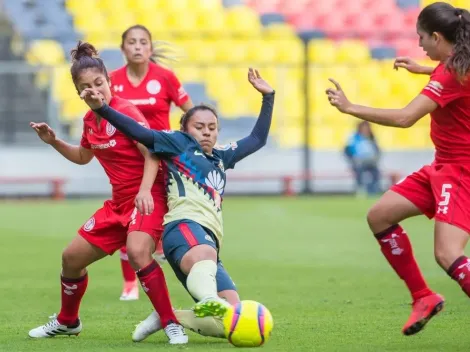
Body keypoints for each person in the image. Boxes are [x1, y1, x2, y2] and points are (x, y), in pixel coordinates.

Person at [79, 68, 274, 341]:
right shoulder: (178, 144)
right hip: (181, 228)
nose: (206, 132)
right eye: (199, 126)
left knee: (230, 320)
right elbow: (137, 131)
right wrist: (103, 109)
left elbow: (257, 139)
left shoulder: (222, 157)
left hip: (207, 242)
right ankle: (207, 296)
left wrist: (268, 96)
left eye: (212, 127)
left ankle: (169, 316)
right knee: (204, 259)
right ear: (184, 129)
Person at [28, 41, 187, 344]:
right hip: (118, 205)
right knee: (71, 258)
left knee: (139, 252)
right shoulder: (90, 120)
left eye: (99, 83)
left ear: (109, 81)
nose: (95, 90)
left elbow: (152, 153)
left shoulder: (126, 112)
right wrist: (53, 141)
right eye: (86, 86)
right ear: (78, 92)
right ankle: (67, 321)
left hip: (146, 198)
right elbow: (82, 157)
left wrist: (144, 191)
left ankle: (170, 323)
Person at [326, 2, 470, 336]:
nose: (419, 43)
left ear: (437, 36)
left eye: (422, 38)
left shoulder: (451, 73)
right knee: (379, 215)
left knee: (448, 254)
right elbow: (449, 75)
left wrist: (350, 108)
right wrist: (422, 69)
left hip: (461, 173)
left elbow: (406, 118)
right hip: (442, 167)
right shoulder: (455, 64)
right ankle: (423, 297)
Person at [111, 24, 193, 301]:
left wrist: (186, 141)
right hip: (127, 162)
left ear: (150, 48)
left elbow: (191, 113)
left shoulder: (165, 78)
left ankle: (164, 252)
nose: (137, 46)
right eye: (131, 42)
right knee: (128, 218)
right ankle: (128, 284)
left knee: (164, 214)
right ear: (123, 49)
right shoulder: (112, 81)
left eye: (143, 42)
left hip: (163, 159)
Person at [344, 121, 381, 196]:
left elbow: (377, 149)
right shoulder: (354, 137)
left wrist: (376, 157)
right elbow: (347, 150)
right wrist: (352, 159)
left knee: (376, 173)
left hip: (371, 161)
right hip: (359, 160)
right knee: (359, 170)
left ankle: (373, 190)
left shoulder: (372, 138)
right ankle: (360, 189)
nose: (366, 129)